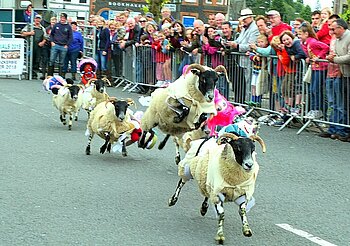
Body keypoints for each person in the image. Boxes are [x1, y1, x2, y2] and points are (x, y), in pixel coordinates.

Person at [298, 22, 329, 119]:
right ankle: (314, 109)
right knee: (312, 89)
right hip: (314, 67)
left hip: (321, 67)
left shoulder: (312, 41)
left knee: (316, 89)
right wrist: (308, 57)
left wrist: (319, 57)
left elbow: (325, 47)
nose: (298, 36)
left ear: (306, 34)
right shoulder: (304, 43)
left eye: (300, 34)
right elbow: (308, 53)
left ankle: (318, 110)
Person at [326, 18, 350, 142]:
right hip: (344, 75)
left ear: (341, 28)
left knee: (345, 104)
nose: (332, 31)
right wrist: (331, 57)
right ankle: (341, 129)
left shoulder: (349, 37)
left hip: (348, 74)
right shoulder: (338, 40)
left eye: (333, 29)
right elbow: (336, 54)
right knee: (342, 104)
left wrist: (334, 60)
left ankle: (345, 130)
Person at [279, 30, 307, 114]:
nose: (286, 42)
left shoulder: (296, 43)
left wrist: (295, 57)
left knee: (298, 86)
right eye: (284, 40)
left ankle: (298, 106)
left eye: (288, 39)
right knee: (287, 87)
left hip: (302, 67)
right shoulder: (287, 47)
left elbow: (302, 54)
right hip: (297, 67)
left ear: (292, 38)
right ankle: (289, 106)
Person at [21, 14, 47, 79]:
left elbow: (45, 37)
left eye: (39, 19)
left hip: (38, 47)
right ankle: (29, 73)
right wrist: (29, 33)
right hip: (30, 46)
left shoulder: (42, 28)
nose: (37, 20)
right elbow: (22, 33)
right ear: (34, 19)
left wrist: (43, 42)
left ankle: (34, 74)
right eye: (36, 18)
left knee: (37, 60)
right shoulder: (29, 26)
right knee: (30, 60)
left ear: (40, 20)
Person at [246, 34, 269, 106]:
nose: (260, 44)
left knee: (259, 86)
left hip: (261, 71)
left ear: (266, 42)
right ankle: (253, 100)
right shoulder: (255, 49)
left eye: (262, 42)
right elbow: (250, 55)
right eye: (258, 42)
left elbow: (265, 57)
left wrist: (258, 56)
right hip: (255, 70)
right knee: (253, 85)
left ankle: (258, 102)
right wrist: (254, 57)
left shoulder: (265, 50)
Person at [48, 13, 73, 77]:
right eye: (61, 17)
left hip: (63, 46)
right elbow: (51, 34)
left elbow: (70, 37)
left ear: (65, 19)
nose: (62, 19)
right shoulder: (56, 25)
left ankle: (60, 76)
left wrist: (67, 45)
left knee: (61, 62)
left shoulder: (68, 27)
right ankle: (50, 76)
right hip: (55, 45)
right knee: (51, 60)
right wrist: (52, 42)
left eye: (64, 18)